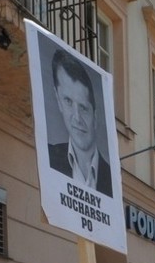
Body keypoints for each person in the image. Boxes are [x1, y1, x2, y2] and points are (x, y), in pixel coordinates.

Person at [48, 48, 113, 196]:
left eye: (83, 108)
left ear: (95, 117)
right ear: (58, 101)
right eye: (68, 101)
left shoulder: (111, 178)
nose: (76, 118)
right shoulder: (49, 157)